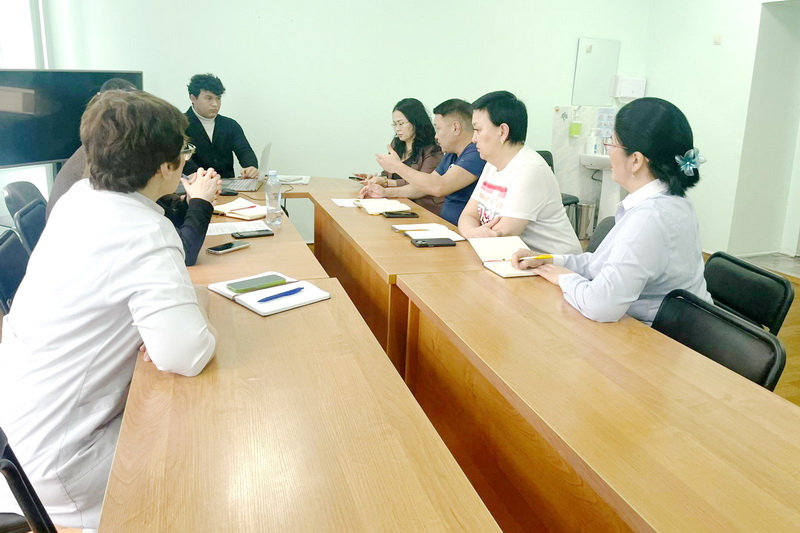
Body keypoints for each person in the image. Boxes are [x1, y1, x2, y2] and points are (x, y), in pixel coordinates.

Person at [0, 90, 217, 530]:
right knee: (207, 448)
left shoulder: (79, 198)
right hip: (65, 463)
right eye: (184, 149)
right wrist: (196, 322)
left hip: (18, 436)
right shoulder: (145, 230)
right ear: (165, 166)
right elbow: (187, 355)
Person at [512, 97, 713, 325]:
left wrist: (564, 277)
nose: (609, 151)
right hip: (669, 327)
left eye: (612, 144)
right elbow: (602, 264)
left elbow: (600, 305)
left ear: (636, 160)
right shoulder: (671, 201)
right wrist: (549, 260)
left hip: (660, 337)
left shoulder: (650, 218)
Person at [47, 78, 221, 266]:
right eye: (184, 152)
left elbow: (156, 210)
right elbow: (182, 254)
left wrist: (190, 202)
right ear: (164, 165)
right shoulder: (132, 221)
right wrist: (200, 202)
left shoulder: (98, 171)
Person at [458, 91, 581, 254]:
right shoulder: (491, 164)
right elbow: (467, 216)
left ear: (503, 131)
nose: (473, 139)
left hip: (554, 262)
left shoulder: (529, 169)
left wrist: (472, 232)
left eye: (477, 130)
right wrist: (472, 232)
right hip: (514, 258)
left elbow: (502, 235)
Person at [359, 99, 485, 225]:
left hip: (459, 229)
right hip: (445, 224)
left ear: (455, 128)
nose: (436, 136)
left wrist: (397, 167)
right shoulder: (451, 154)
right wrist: (385, 192)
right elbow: (424, 188)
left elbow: (438, 187)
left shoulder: (476, 154)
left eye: (438, 129)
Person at [360, 98, 443, 215]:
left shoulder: (433, 149)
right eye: (394, 124)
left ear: (415, 122)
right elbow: (388, 173)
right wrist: (376, 179)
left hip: (422, 209)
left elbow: (423, 184)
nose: (397, 129)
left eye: (401, 123)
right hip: (395, 203)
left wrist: (386, 182)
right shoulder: (396, 144)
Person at [184, 73, 258, 179]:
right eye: (209, 98)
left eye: (218, 98)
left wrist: (251, 167)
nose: (215, 104)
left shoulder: (230, 125)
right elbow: (180, 158)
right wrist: (202, 177)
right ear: (193, 98)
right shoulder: (179, 125)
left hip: (228, 185)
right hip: (195, 184)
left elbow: (244, 150)